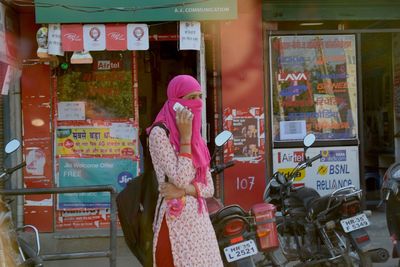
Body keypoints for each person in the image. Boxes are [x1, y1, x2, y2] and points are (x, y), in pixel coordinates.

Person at [147, 75, 223, 267]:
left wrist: (184, 191)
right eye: (191, 98)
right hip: (174, 220)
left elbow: (209, 188)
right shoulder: (159, 133)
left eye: (200, 96)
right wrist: (185, 137)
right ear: (175, 103)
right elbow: (180, 178)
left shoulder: (196, 135)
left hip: (199, 223)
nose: (197, 103)